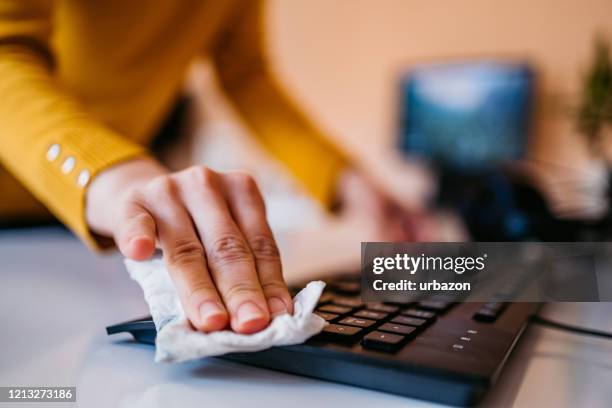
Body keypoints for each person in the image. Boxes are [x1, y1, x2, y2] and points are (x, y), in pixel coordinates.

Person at [0, 1, 430, 335]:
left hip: (91, 221)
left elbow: (245, 73)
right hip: (63, 194)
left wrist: (348, 181)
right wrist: (116, 176)